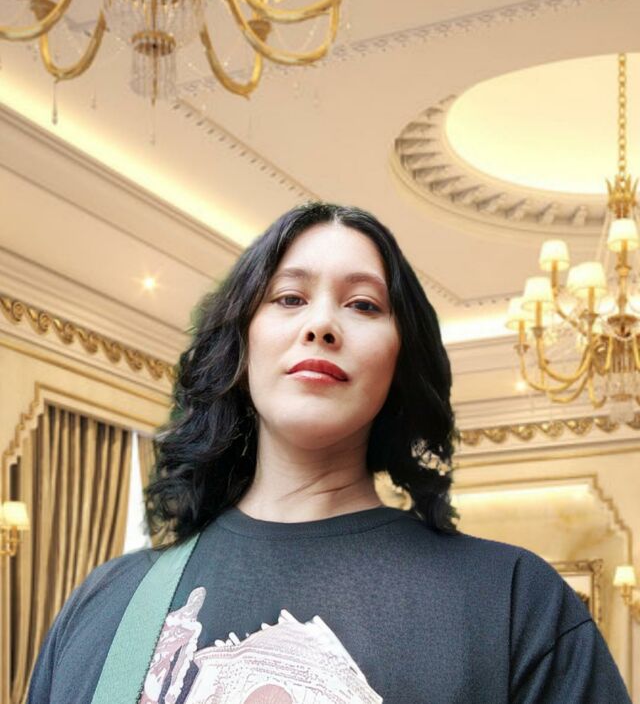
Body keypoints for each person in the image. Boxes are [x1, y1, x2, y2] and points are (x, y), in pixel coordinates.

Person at [28, 202, 631, 704]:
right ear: (242, 343)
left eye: (363, 304)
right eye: (289, 298)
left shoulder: (512, 602)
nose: (321, 325)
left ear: (401, 359)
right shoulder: (108, 600)